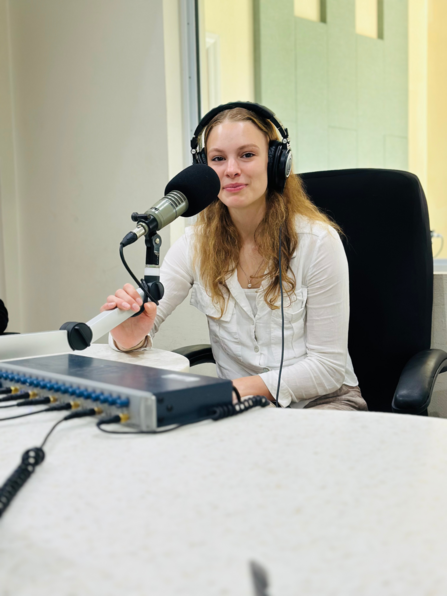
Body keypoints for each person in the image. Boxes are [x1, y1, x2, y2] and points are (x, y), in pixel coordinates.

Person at [100, 102, 367, 411]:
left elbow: (328, 368)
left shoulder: (318, 242)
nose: (231, 170)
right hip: (239, 406)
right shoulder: (195, 245)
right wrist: (128, 337)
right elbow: (147, 319)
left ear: (277, 162)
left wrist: (236, 391)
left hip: (321, 402)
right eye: (217, 159)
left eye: (247, 155)